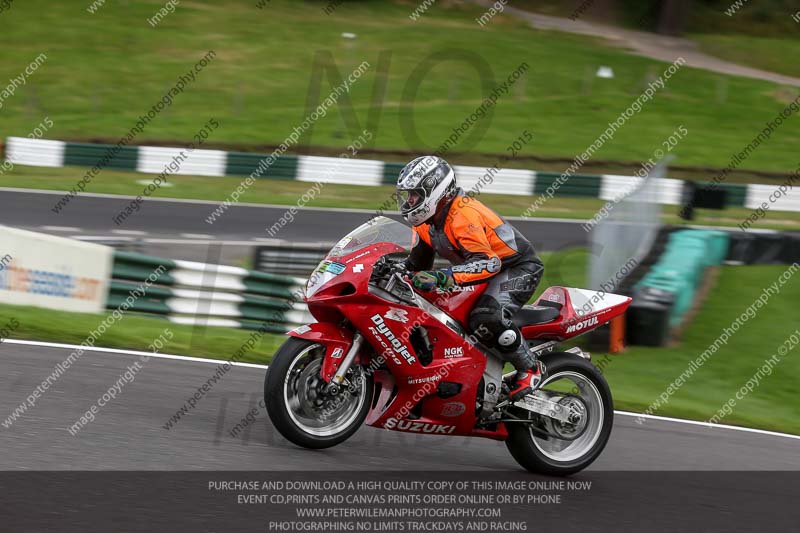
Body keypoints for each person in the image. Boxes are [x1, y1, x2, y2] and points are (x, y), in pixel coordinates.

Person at [397, 155, 544, 400]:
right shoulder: (425, 222)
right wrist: (389, 269)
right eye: (408, 195)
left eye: (415, 195)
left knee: (484, 316)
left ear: (436, 191)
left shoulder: (463, 215)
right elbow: (416, 264)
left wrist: (442, 278)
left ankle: (530, 367)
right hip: (484, 268)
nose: (409, 201)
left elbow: (488, 262)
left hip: (517, 267)